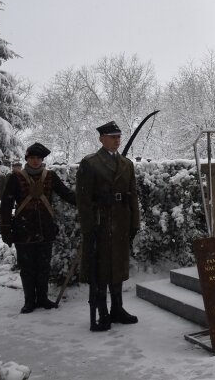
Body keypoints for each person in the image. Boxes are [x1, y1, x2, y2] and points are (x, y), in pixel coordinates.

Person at [76, 121, 141, 331]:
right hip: (100, 222)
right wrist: (88, 228)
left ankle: (117, 309)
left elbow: (132, 195)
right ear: (101, 139)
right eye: (112, 137)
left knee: (118, 267)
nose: (117, 140)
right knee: (101, 268)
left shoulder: (126, 163)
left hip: (121, 222)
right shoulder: (90, 163)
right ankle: (102, 311)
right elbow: (83, 199)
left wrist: (134, 222)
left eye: (118, 137)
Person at [0, 143, 76, 313]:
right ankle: (29, 301)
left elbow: (67, 194)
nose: (35, 161)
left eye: (38, 158)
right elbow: (6, 206)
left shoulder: (50, 176)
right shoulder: (15, 178)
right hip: (23, 230)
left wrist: (87, 201)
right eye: (32, 158)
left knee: (43, 266)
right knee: (27, 268)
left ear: (42, 160)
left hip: (45, 230)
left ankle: (42, 298)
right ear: (27, 159)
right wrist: (6, 230)